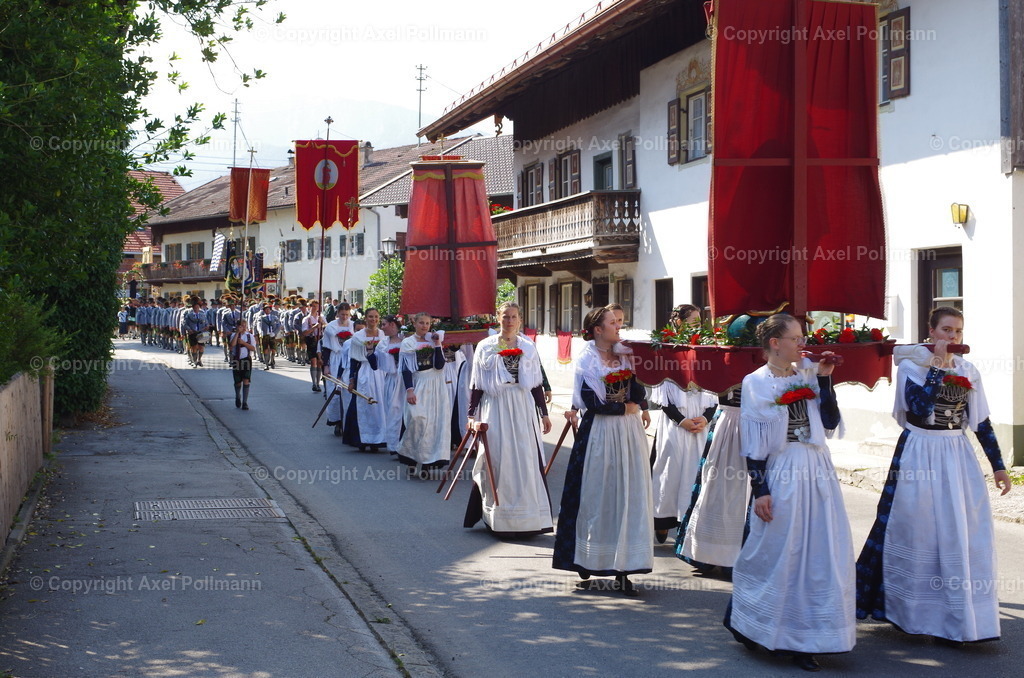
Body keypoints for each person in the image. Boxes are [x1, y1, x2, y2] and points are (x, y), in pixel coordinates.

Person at [855, 306, 1011, 646]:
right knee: (916, 530)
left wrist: (998, 465)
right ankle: (910, 613)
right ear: (931, 332)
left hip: (956, 454)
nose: (952, 337)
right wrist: (937, 367)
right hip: (920, 451)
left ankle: (959, 617)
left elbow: (980, 421)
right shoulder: (911, 366)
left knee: (960, 532)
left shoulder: (969, 369)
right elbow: (920, 406)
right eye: (946, 330)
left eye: (957, 331)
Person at [724, 314, 852, 672]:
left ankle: (810, 636)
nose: (801, 343)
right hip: (783, 469)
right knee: (779, 550)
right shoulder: (756, 383)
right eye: (794, 338)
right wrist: (760, 489)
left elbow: (827, 422)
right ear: (775, 343)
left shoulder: (808, 373)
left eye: (801, 336)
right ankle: (763, 627)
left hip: (817, 468)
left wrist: (825, 380)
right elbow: (753, 443)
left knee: (820, 550)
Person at [552, 306, 653, 597]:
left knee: (628, 494)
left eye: (619, 322)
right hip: (600, 433)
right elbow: (590, 402)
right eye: (613, 323)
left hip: (629, 433)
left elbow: (639, 393)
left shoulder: (627, 354)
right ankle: (590, 556)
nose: (618, 327)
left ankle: (626, 565)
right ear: (598, 329)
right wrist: (623, 407)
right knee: (598, 494)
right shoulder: (587, 359)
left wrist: (634, 403)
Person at [464, 302, 553, 536]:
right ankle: (499, 519)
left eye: (514, 317)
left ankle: (527, 520)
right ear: (498, 318)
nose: (509, 321)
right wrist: (471, 415)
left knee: (524, 458)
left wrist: (543, 413)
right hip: (496, 406)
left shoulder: (528, 347)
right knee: (498, 458)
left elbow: (536, 383)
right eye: (505, 316)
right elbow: (477, 384)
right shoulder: (485, 347)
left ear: (520, 319)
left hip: (523, 407)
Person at [650, 305, 717, 544]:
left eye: (699, 322)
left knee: (696, 472)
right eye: (692, 322)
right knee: (670, 471)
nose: (697, 326)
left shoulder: (707, 349)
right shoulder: (667, 351)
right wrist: (682, 421)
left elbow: (715, 387)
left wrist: (707, 417)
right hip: (675, 425)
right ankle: (663, 519)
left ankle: (690, 524)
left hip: (700, 424)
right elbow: (662, 396)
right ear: (678, 323)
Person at [397, 312, 450, 474]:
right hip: (419, 382)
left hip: (436, 383)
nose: (424, 326)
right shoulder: (408, 342)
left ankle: (428, 461)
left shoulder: (433, 340)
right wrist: (409, 390)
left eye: (427, 323)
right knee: (417, 419)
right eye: (421, 323)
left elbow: (440, 365)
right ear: (414, 323)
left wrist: (437, 345)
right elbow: (406, 369)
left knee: (435, 423)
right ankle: (411, 458)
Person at [344, 308, 388, 452]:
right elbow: (353, 360)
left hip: (381, 372)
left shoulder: (383, 334)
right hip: (365, 372)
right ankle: (363, 439)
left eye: (376, 317)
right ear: (365, 318)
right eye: (370, 317)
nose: (373, 320)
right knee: (365, 404)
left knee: (380, 405)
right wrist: (351, 379)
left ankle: (378, 440)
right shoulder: (358, 337)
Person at [321, 302, 356, 435]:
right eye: (342, 314)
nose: (344, 317)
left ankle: (348, 420)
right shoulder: (331, 327)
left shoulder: (353, 325)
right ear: (337, 313)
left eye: (347, 314)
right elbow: (326, 347)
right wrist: (326, 366)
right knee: (335, 391)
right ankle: (337, 421)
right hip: (335, 359)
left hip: (349, 359)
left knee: (348, 390)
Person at [377, 315, 406, 455]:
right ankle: (394, 445)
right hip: (392, 379)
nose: (382, 328)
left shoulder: (406, 340)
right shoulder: (383, 343)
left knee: (407, 412)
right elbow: (379, 362)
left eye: (384, 324)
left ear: (393, 325)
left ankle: (406, 444)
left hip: (406, 380)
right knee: (392, 410)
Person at [229, 319, 256, 410]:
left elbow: (253, 348)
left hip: (246, 360)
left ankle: (245, 402)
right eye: (241, 326)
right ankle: (237, 396)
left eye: (244, 325)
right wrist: (237, 334)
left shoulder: (250, 336)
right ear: (237, 327)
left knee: (246, 380)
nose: (243, 327)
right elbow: (232, 345)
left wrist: (244, 343)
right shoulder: (234, 335)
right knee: (237, 382)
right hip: (236, 360)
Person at [301, 299, 326, 392]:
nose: (315, 308)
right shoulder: (306, 319)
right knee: (313, 361)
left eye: (316, 306)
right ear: (309, 307)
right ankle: (314, 383)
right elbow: (304, 332)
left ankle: (318, 383)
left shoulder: (321, 317)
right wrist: (314, 327)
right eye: (313, 306)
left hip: (320, 340)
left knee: (319, 362)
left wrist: (322, 324)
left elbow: (326, 328)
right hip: (311, 340)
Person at [183, 296, 210, 367]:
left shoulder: (202, 313)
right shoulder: (188, 314)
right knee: (194, 347)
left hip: (201, 332)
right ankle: (194, 361)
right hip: (192, 332)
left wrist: (207, 326)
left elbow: (206, 321)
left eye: (198, 307)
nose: (196, 308)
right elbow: (184, 323)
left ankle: (199, 360)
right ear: (193, 307)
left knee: (201, 348)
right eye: (195, 307)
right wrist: (189, 329)